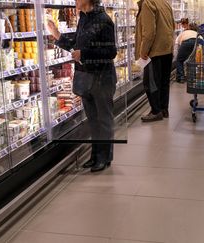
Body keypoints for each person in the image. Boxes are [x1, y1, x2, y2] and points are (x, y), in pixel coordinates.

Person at [47, 0, 117, 172]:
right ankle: (95, 155)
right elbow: (76, 46)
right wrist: (58, 36)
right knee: (93, 120)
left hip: (102, 78)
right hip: (86, 77)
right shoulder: (83, 18)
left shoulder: (103, 20)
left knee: (104, 120)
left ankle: (104, 157)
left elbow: (111, 52)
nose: (75, 0)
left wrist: (84, 53)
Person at [136, 0, 175, 122]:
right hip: (167, 49)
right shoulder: (165, 3)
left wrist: (143, 52)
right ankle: (164, 109)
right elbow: (172, 26)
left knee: (150, 83)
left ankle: (156, 111)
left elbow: (149, 32)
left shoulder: (148, 3)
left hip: (154, 51)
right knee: (163, 82)